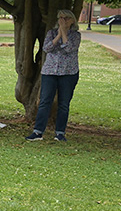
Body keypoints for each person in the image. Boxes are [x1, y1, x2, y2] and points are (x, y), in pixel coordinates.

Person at [26, 9, 81, 142]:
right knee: (45, 101)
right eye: (60, 18)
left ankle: (60, 133)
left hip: (68, 73)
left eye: (66, 18)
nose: (62, 21)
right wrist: (59, 34)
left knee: (64, 103)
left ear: (72, 20)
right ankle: (38, 132)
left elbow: (68, 48)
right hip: (50, 72)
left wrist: (64, 33)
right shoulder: (51, 33)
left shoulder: (76, 35)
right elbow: (47, 48)